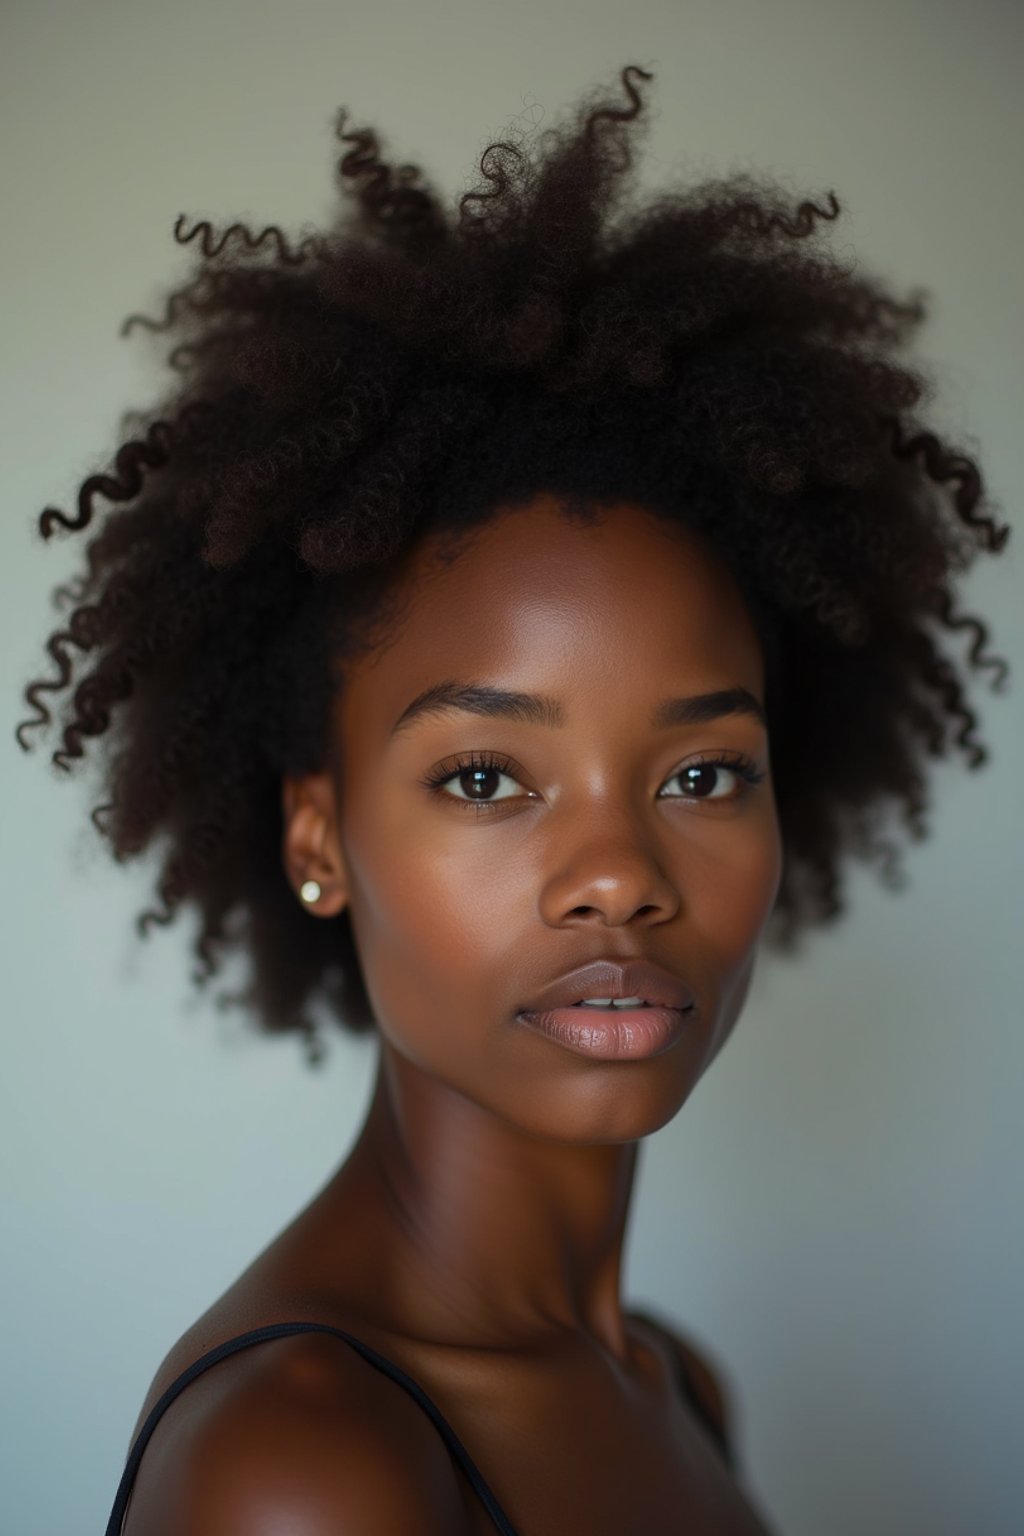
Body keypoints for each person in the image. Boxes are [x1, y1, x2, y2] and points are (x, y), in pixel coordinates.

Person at [16, 63, 1010, 1536]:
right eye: (486, 777)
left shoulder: (673, 1381)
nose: (619, 875)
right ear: (318, 837)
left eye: (701, 773)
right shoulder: (313, 1472)